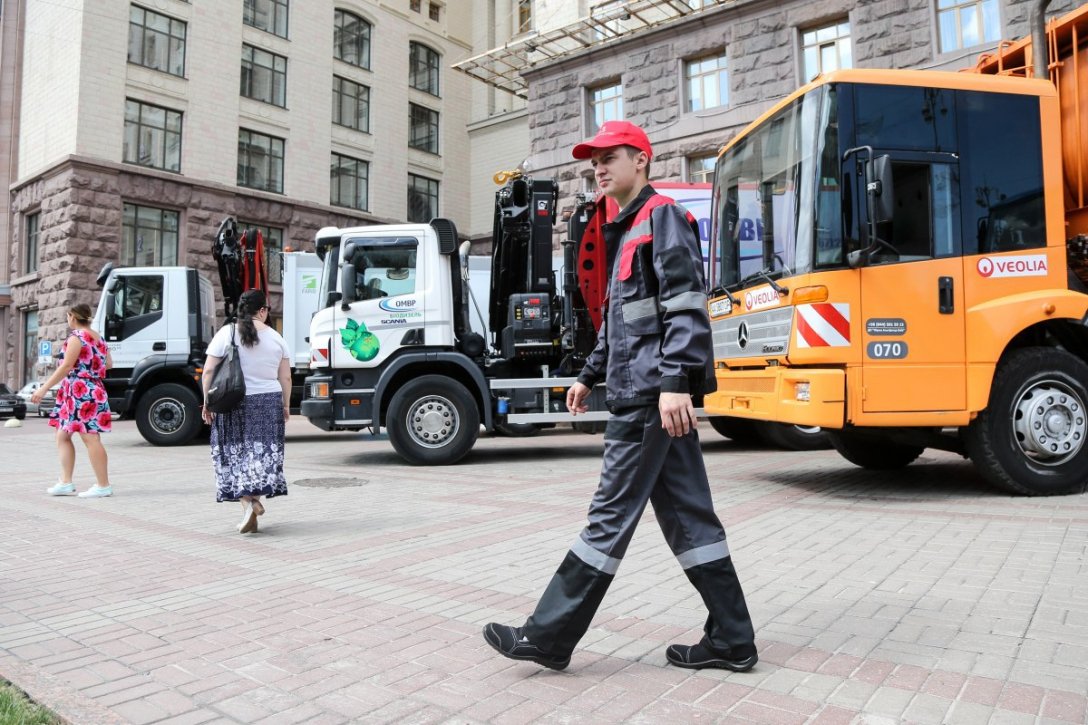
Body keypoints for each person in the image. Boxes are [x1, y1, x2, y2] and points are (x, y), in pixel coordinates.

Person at [483, 121, 757, 671]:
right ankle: (732, 639)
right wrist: (588, 375)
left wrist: (675, 382)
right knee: (691, 520)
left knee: (608, 516)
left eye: (609, 157)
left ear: (642, 160)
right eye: (594, 161)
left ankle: (548, 635)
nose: (598, 168)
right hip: (645, 393)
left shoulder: (662, 218)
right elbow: (620, 320)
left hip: (651, 397)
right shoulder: (627, 228)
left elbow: (685, 304)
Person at [201, 289, 290, 534]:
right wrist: (285, 405)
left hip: (232, 401)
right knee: (260, 455)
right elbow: (286, 377)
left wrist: (207, 402)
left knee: (234, 454)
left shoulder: (227, 333)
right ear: (262, 311)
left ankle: (249, 505)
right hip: (268, 401)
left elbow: (208, 371)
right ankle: (252, 505)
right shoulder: (276, 338)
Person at [31, 303, 115, 498]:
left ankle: (103, 485)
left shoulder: (76, 337)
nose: (67, 320)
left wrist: (43, 388)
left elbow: (67, 366)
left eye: (67, 316)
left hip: (81, 391)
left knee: (90, 438)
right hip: (91, 388)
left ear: (72, 317)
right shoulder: (98, 338)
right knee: (63, 435)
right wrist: (91, 369)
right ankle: (65, 482)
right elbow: (109, 364)